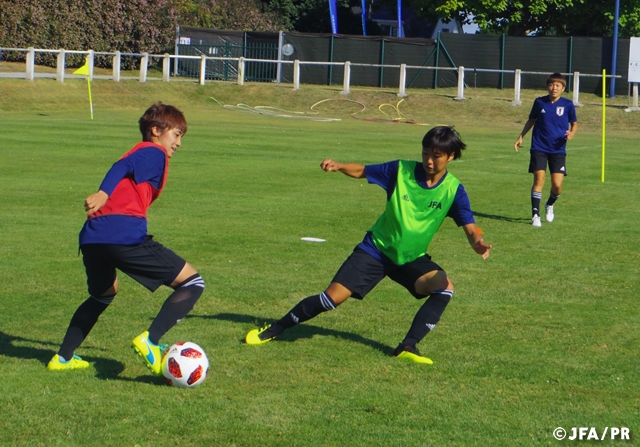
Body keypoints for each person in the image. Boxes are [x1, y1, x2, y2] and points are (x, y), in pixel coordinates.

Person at [245, 126, 492, 364]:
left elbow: (471, 228)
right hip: (376, 250)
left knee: (444, 287)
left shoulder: (453, 190)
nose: (429, 160)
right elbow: (363, 171)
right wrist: (340, 166)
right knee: (331, 299)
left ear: (450, 156)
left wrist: (478, 242)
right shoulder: (401, 170)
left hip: (410, 258)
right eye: (425, 153)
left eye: (436, 156)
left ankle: (408, 346)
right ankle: (274, 329)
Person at [47, 103, 205, 375]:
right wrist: (103, 193)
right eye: (176, 134)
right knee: (193, 282)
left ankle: (62, 358)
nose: (179, 143)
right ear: (156, 130)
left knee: (102, 295)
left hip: (93, 237)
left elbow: (127, 169)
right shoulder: (153, 151)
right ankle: (151, 341)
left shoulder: (144, 152)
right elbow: (122, 166)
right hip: (123, 235)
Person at [514, 72, 578, 227]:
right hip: (539, 147)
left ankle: (550, 204)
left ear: (563, 88)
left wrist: (572, 133)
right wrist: (521, 136)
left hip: (558, 150)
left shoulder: (568, 105)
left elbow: (574, 123)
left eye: (557, 85)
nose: (554, 88)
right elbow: (531, 120)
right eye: (551, 84)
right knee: (539, 180)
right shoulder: (539, 102)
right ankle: (535, 215)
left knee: (557, 185)